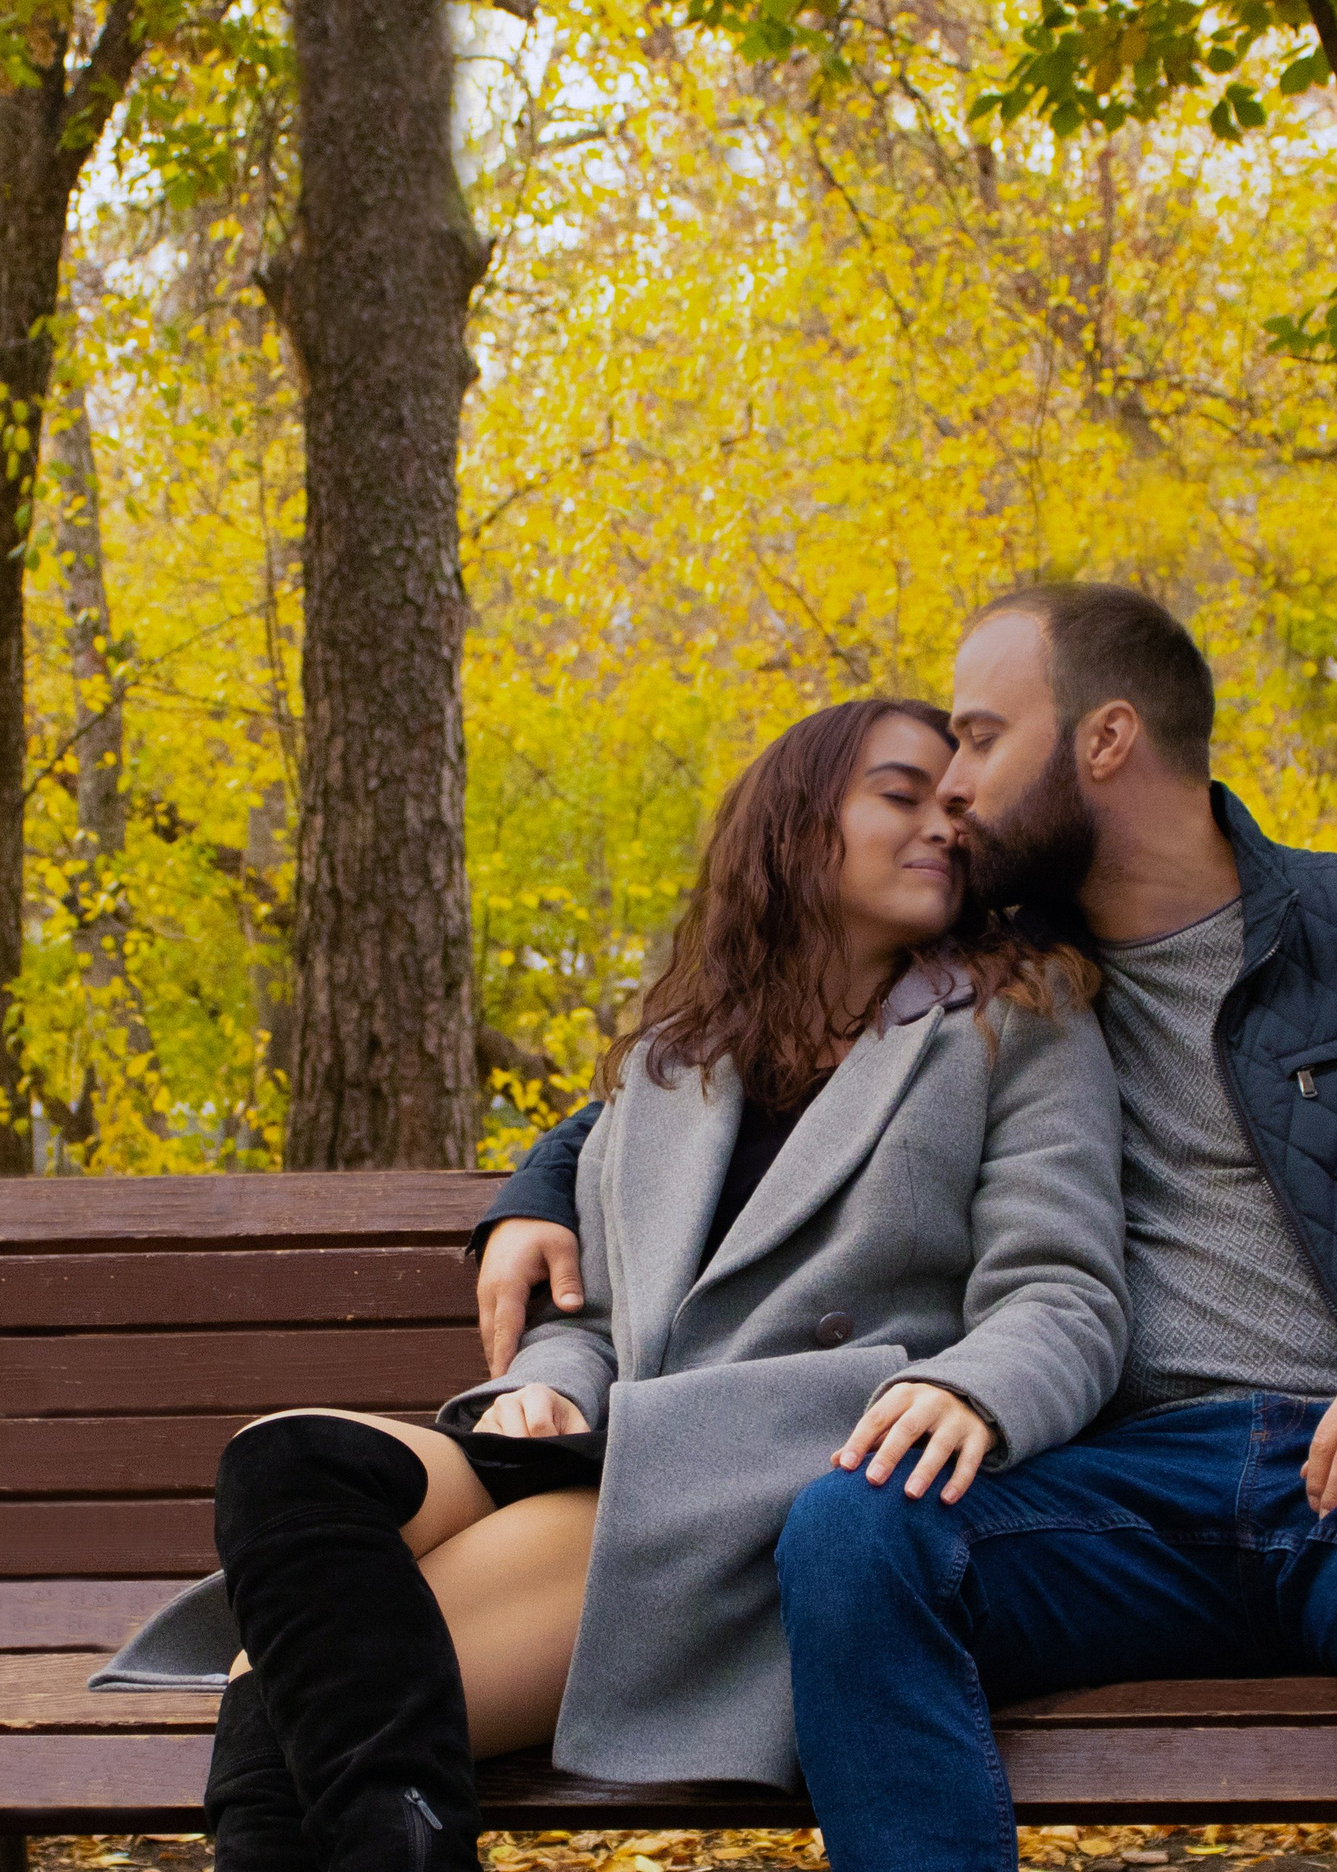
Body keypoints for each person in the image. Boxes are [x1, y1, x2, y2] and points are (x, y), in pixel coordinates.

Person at [473, 585, 1337, 1872]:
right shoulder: (988, 982)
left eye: (983, 740)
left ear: (1103, 743)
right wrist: (534, 1196)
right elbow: (730, 1052)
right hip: (1101, 1496)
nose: (954, 790)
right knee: (853, 1526)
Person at [204, 697, 1129, 1872]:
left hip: (759, 1487)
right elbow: (592, 1314)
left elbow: (1065, 1291)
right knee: (283, 1462)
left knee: (286, 1695)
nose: (945, 825)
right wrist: (544, 1381)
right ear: (794, 825)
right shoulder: (670, 1060)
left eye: (958, 808)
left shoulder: (1016, 1025)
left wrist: (979, 1394)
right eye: (902, 795)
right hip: (606, 1452)